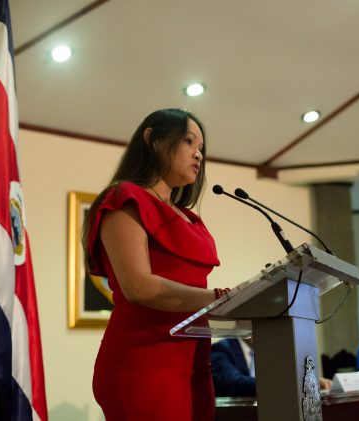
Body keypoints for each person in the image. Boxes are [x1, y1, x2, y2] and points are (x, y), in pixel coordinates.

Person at [83, 108, 226, 420]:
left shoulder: (189, 218)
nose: (198, 155)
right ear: (153, 140)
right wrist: (223, 297)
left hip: (194, 362)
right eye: (189, 142)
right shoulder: (125, 198)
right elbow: (139, 287)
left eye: (201, 148)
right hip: (144, 360)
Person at [211, 338, 332, 397]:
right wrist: (295, 383)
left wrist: (308, 380)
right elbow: (235, 383)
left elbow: (283, 377)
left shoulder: (268, 351)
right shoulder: (222, 349)